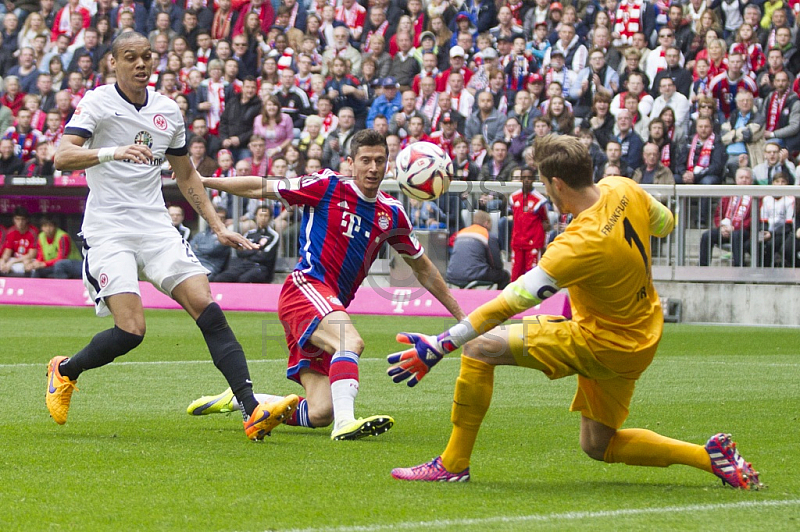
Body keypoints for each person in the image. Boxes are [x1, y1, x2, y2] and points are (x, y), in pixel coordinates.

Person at [387, 135, 762, 492]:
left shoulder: (577, 244)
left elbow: (509, 303)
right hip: (641, 337)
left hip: (599, 342)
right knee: (598, 445)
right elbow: (666, 224)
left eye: (544, 185)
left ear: (556, 183)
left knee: (480, 348)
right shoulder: (622, 187)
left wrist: (440, 344)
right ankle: (709, 457)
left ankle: (452, 465)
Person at [46, 32, 297, 442]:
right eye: (131, 57)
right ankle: (65, 371)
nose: (141, 64)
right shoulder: (97, 102)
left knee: (207, 308)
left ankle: (252, 410)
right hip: (108, 229)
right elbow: (62, 155)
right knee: (131, 331)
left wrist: (217, 226)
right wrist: (112, 151)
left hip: (156, 226)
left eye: (147, 57)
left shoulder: (167, 111)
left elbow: (186, 175)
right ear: (114, 62)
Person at [190, 129, 465, 440]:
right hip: (305, 287)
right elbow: (260, 187)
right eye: (365, 161)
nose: (372, 168)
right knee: (350, 341)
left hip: (328, 305)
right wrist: (204, 181)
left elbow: (424, 269)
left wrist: (462, 317)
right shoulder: (327, 185)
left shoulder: (392, 214)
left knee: (320, 411)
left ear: (390, 167)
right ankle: (345, 425)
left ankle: (245, 400)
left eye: (379, 161)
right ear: (350, 163)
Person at [699, 168, 754, 267]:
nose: (744, 180)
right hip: (725, 228)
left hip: (744, 230)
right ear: (736, 180)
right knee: (707, 236)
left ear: (751, 181)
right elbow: (718, 214)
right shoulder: (728, 194)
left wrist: (734, 228)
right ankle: (703, 267)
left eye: (747, 178)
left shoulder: (756, 196)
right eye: (741, 177)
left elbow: (753, 219)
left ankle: (739, 267)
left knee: (736, 235)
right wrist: (722, 227)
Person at [212, 205, 279, 283]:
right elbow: (239, 251)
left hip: (261, 267)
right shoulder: (249, 233)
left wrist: (248, 251)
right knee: (221, 278)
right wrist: (257, 250)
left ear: (270, 218)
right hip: (244, 265)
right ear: (256, 217)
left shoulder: (273, 235)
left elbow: (265, 256)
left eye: (266, 216)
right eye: (260, 215)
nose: (263, 218)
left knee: (244, 279)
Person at [446, 210, 510, 289]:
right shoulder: (487, 235)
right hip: (473, 275)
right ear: (486, 223)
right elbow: (496, 263)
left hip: (452, 274)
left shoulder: (461, 232)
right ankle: (498, 300)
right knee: (504, 276)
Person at [508, 166, 549, 282]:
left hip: (533, 244)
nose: (526, 180)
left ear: (534, 179)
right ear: (520, 179)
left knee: (532, 277)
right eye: (524, 177)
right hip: (517, 244)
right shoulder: (513, 198)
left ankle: (534, 301)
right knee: (515, 276)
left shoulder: (540, 200)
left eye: (529, 178)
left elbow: (546, 222)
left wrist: (542, 244)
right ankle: (514, 300)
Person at [0, 206, 38, 276]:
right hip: (14, 261)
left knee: (28, 263)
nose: (20, 222)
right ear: (14, 220)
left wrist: (12, 262)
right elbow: (7, 252)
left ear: (27, 220)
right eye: (17, 219)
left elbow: (32, 255)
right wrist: (3, 261)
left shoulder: (33, 232)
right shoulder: (11, 232)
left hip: (26, 261)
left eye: (22, 219)